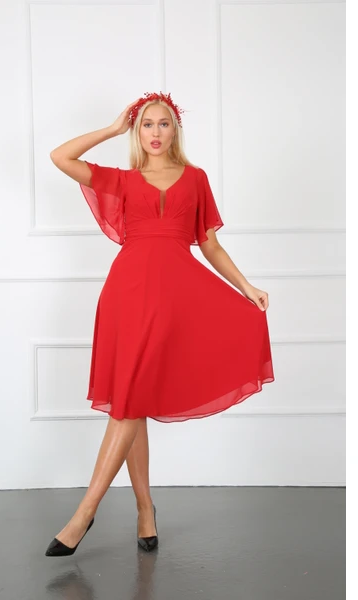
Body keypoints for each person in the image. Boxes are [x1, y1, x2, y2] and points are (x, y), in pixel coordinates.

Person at [45, 92, 275, 557]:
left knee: (131, 400)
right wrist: (113, 128)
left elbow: (209, 245)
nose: (155, 132)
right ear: (137, 131)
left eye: (163, 123)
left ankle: (86, 513)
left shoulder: (196, 179)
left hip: (174, 296)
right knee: (132, 400)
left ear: (175, 129)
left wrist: (245, 286)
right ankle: (143, 510)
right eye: (146, 124)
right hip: (127, 294)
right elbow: (60, 157)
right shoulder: (123, 180)